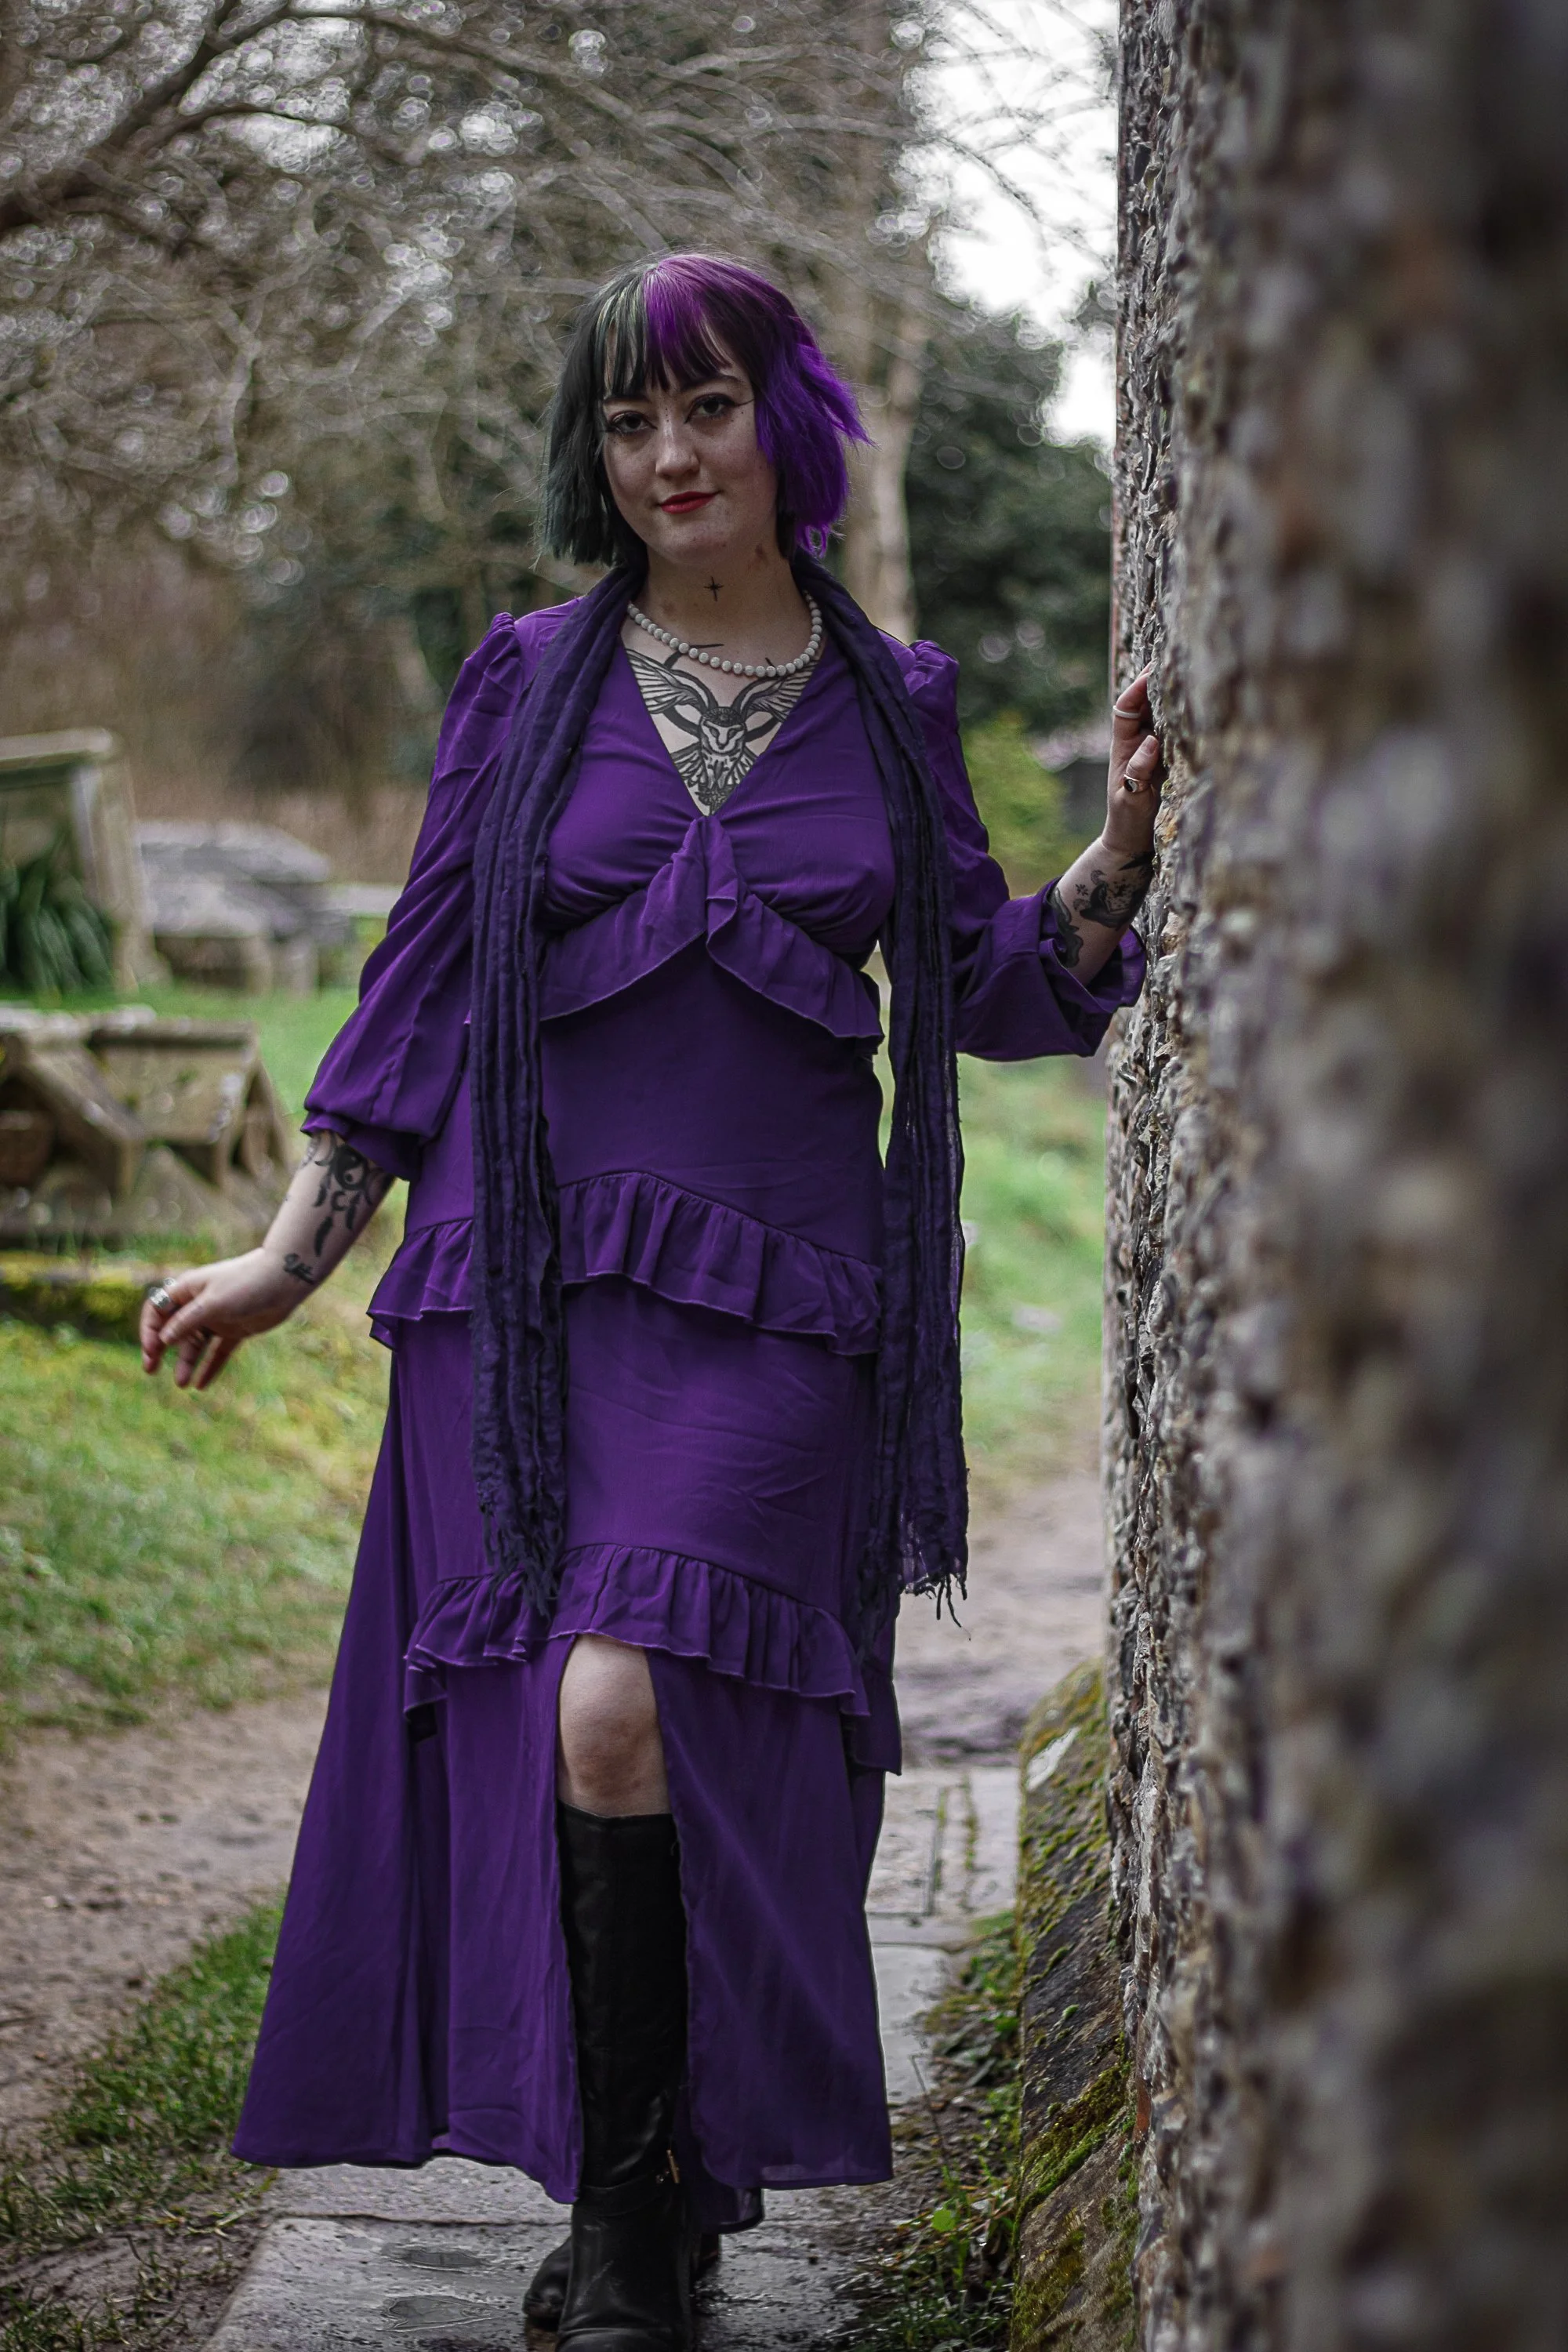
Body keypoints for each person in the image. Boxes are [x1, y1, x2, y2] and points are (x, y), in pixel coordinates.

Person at [140, 253, 1161, 2352]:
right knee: (580, 1725)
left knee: (640, 1701)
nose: (670, 454)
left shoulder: (893, 699)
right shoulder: (527, 680)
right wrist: (289, 1254)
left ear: (789, 422)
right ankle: (639, 2220)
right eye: (627, 421)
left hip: (785, 1293)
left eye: (705, 407)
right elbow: (420, 991)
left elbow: (980, 976)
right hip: (529, 1299)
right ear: (592, 455)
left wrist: (1123, 855)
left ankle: (655, 2198)